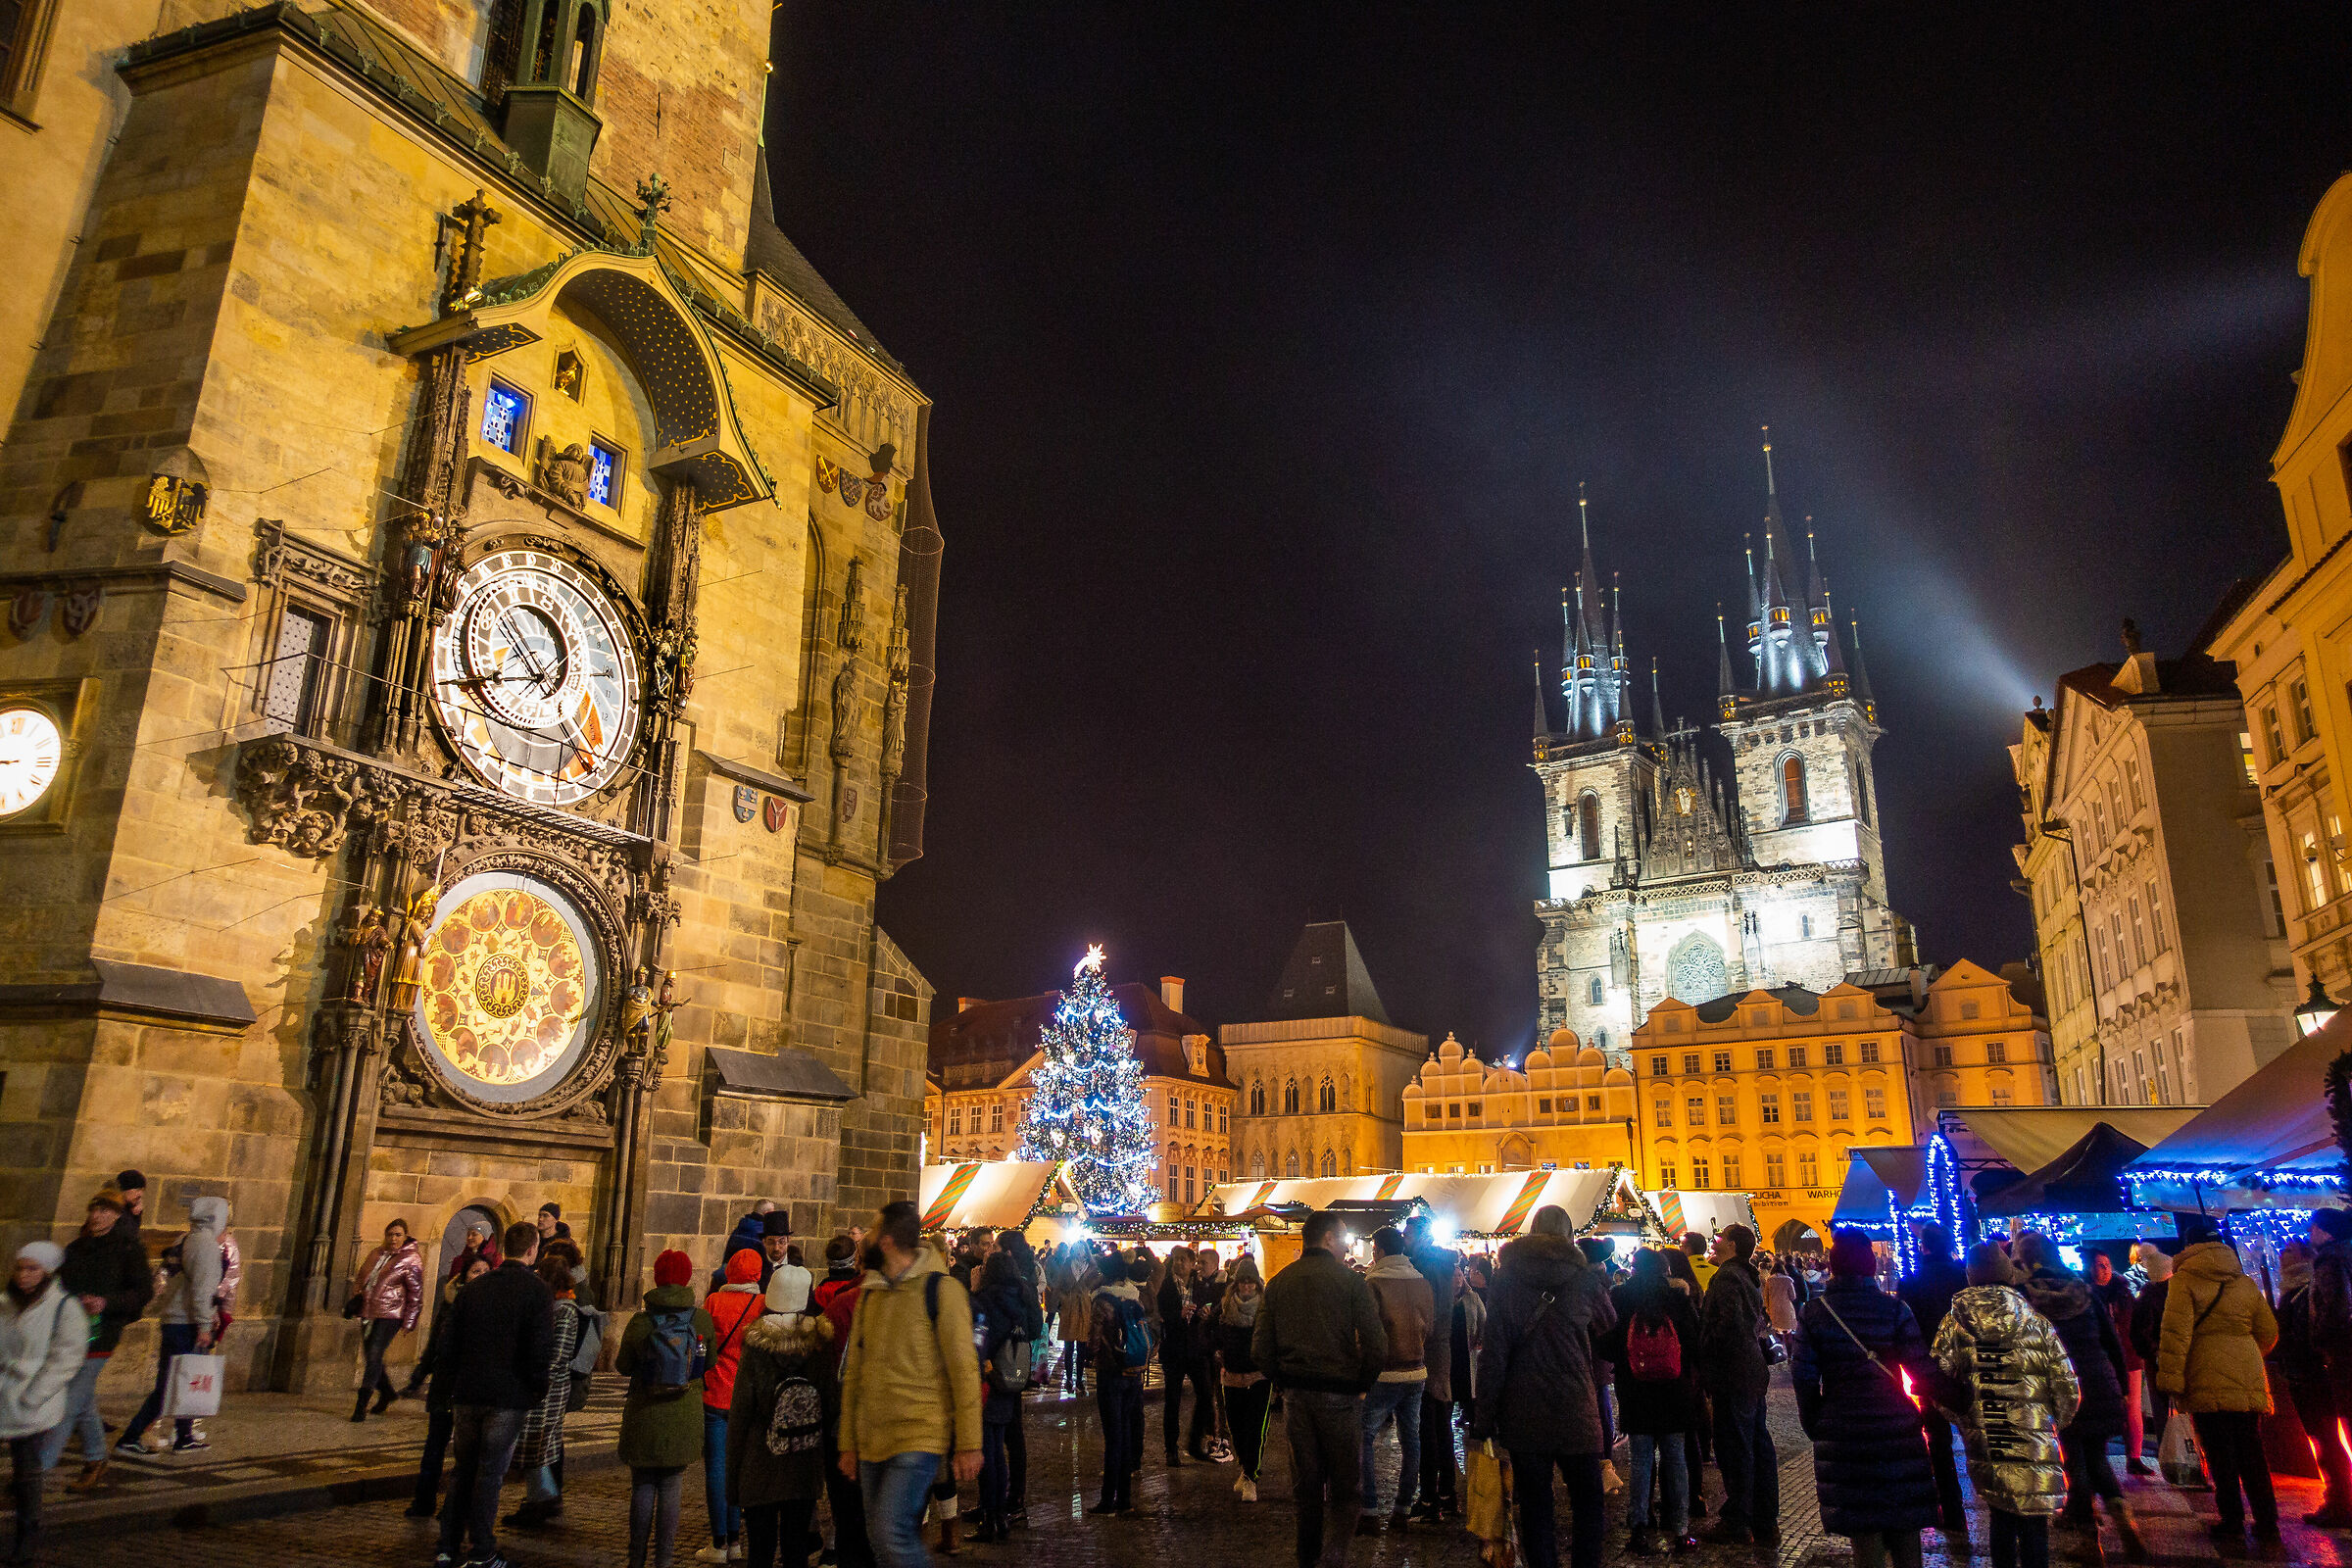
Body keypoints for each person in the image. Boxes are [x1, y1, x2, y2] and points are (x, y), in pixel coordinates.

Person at [836, 1200, 982, 1568]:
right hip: (872, 1437)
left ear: (885, 1241)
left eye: (871, 1230)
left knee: (891, 1532)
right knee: (878, 1537)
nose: (864, 1237)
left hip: (919, 1432)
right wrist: (848, 1443)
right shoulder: (871, 1292)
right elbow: (855, 1370)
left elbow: (964, 1369)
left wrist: (968, 1443)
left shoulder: (942, 1291)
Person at [1470, 1205, 1614, 1568]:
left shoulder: (1506, 1277)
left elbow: (1495, 1351)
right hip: (1576, 1405)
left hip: (1524, 1408)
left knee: (1535, 1505)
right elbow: (1609, 1322)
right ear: (1568, 1235)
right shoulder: (1583, 1277)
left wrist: (1484, 1416)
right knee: (1588, 1501)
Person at [1791, 1228, 1941, 1568]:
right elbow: (1921, 1369)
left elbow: (1803, 1378)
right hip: (1897, 1429)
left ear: (1834, 1267)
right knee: (1905, 1524)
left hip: (1844, 1431)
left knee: (1865, 1530)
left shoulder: (1815, 1313)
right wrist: (1937, 1410)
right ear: (1871, 1266)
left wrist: (1818, 1423)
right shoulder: (1895, 1309)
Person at [1932, 1242, 2079, 1568]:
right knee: (2034, 1523)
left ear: (1970, 1276)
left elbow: (1938, 1383)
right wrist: (2052, 1422)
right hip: (2033, 1435)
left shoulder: (1954, 1321)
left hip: (1989, 1436)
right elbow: (2066, 1384)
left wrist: (1966, 1419)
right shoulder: (2035, 1320)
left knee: (2001, 1516)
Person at [1255, 1209, 1387, 1568]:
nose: (1346, 1245)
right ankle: (1334, 1557)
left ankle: (1308, 1558)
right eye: (1343, 1237)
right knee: (1346, 1488)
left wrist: (1283, 1380)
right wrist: (1362, 1384)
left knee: (1307, 1489)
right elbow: (1377, 1345)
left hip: (1298, 1396)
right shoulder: (1350, 1283)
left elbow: (1260, 1349)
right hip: (1341, 1394)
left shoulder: (1280, 1283)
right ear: (1328, 1238)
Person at [2014, 1232, 2142, 1564]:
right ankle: (2123, 1516)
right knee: (2097, 1455)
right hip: (2099, 1380)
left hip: (2061, 1386)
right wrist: (2122, 1387)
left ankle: (2088, 1536)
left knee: (2075, 1459)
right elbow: (2111, 1339)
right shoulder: (2083, 1289)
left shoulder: (2025, 1296)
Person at [436, 1220, 558, 1568]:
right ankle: (481, 1551)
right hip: (506, 1396)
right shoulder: (536, 1292)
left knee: (462, 1471)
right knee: (489, 1475)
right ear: (533, 1250)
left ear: (504, 1249)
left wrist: (453, 1385)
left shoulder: (475, 1288)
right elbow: (540, 1349)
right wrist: (537, 1389)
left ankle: (446, 1547)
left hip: (468, 1393)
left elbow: (449, 1343)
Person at [2157, 1216, 2280, 1554]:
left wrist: (2171, 1378)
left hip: (2204, 1371)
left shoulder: (2183, 1281)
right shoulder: (2244, 1282)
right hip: (2247, 1371)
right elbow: (2268, 1331)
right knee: (2252, 1451)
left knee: (2220, 1453)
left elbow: (2176, 1335)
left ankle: (2233, 1524)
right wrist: (2244, 1350)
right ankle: (2268, 1524)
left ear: (2190, 1246)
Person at [728, 1264, 838, 1568]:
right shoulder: (819, 1344)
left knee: (760, 1550)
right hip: (804, 1460)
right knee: (796, 1548)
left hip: (759, 1460)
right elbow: (830, 1404)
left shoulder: (756, 1344)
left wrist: (733, 1476)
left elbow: (740, 1412)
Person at [1595, 1247, 1701, 1556]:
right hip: (1674, 1391)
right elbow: (1694, 1344)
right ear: (1665, 1269)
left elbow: (1607, 1346)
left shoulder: (1622, 1298)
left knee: (1641, 1461)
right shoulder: (1678, 1299)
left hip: (1636, 1391)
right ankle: (1681, 1530)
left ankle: (1639, 1527)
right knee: (1676, 1459)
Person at [45, 1185, 151, 1490]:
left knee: (68, 1403)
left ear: (117, 1216)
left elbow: (141, 1292)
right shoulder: (76, 1249)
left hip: (101, 1335)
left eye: (104, 1210)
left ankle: (34, 1475)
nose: (96, 1216)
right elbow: (59, 1288)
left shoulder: (129, 1249)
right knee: (84, 1400)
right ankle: (95, 1459)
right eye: (94, 1209)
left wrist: (106, 1303)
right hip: (69, 1333)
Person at [618, 1250, 716, 1568]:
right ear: (687, 1278)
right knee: (672, 1487)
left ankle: (636, 1559)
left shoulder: (641, 1321)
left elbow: (623, 1365)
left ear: (657, 1278)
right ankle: (665, 1560)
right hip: (683, 1414)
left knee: (642, 1486)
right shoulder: (700, 1320)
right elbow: (706, 1363)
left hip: (644, 1413)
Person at [118, 1194, 227, 1455]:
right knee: (170, 1384)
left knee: (182, 1379)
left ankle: (185, 1435)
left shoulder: (186, 1238)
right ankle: (132, 1436)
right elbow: (202, 1291)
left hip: (175, 1319)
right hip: (186, 1323)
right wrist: (203, 1325)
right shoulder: (206, 1246)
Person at [0, 1242, 86, 1566]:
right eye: (20, 1267)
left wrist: (34, 1395)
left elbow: (67, 1357)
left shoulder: (64, 1307)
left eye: (32, 1268)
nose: (24, 1274)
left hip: (33, 1400)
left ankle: (27, 1535)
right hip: (2, 1391)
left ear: (47, 1272)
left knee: (27, 1472)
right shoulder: (6, 1303)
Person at [1696, 1224, 1776, 1547]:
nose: (1714, 1243)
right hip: (1750, 1369)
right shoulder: (1747, 1274)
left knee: (1735, 1446)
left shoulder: (1728, 1276)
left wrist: (1708, 1348)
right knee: (1756, 1443)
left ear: (1731, 1244)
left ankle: (1738, 1519)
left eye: (1719, 1238)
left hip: (1733, 1371)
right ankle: (1765, 1518)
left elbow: (1730, 1324)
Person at [1898, 1221, 1972, 1544]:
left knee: (1938, 1442)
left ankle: (1953, 1511)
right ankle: (1996, 1498)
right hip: (1970, 1368)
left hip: (1930, 1371)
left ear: (1924, 1246)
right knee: (1978, 1433)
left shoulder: (1911, 1284)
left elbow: (1907, 1332)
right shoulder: (1965, 1278)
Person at [2272, 1241, 2352, 1528]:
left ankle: (2340, 1502)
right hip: (2302, 1376)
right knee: (2323, 1441)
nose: (2283, 1255)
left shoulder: (2307, 1291)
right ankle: (2337, 1499)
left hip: (2313, 1378)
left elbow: (2309, 1335)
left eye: (2289, 1251)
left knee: (2328, 1441)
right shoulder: (2291, 1291)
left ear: (2305, 1257)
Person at [1359, 1226, 1435, 1536]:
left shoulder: (1373, 1282)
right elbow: (1428, 1326)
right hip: (1416, 1370)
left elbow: (1366, 1332)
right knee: (1411, 1439)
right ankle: (1403, 1509)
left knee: (1363, 1436)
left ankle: (1369, 1509)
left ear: (1377, 1251)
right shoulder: (1421, 1280)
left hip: (1383, 1372)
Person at [697, 1249, 769, 1561]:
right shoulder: (763, 1304)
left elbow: (703, 1346)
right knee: (741, 1470)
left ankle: (720, 1542)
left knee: (716, 1469)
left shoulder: (713, 1301)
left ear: (729, 1273)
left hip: (715, 1394)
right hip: (748, 1398)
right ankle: (738, 1542)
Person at [408, 1254, 492, 1519]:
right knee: (434, 1447)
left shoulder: (490, 1305)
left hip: (470, 1386)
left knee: (465, 1453)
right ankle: (423, 1502)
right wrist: (421, 1371)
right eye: (475, 1271)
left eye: (485, 1271)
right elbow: (435, 1341)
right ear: (465, 1275)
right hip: (446, 1385)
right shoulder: (450, 1304)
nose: (480, 1275)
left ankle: (453, 1506)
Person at [509, 1251, 585, 1530]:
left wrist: (533, 1375)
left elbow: (558, 1355)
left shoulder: (566, 1310)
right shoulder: (549, 1306)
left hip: (549, 1389)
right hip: (541, 1385)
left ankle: (544, 1498)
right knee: (537, 1445)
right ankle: (543, 1496)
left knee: (536, 1445)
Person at [810, 1235, 873, 1568]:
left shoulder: (842, 1303)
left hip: (843, 1423)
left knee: (849, 1514)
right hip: (891, 1430)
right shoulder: (912, 1304)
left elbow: (825, 1368)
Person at [971, 1249, 1041, 1542]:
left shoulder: (985, 1301)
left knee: (989, 1451)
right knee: (998, 1448)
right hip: (1011, 1381)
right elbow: (1035, 1330)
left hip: (989, 1380)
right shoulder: (1022, 1299)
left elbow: (977, 1340)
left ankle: (991, 1516)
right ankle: (1000, 1515)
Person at [1400, 1213, 1462, 1519]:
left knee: (1428, 1426)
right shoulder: (1443, 1263)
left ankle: (1429, 1499)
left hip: (1430, 1350)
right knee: (1440, 1424)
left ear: (1421, 1237)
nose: (1404, 1239)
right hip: (1442, 1348)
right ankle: (1446, 1493)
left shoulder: (1425, 1264)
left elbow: (1430, 1309)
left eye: (1408, 1235)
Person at [1088, 1251, 1152, 1515]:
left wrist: (1094, 1355)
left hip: (1111, 1373)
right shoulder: (1134, 1297)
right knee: (1126, 1434)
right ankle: (1124, 1499)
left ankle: (1107, 1500)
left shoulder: (1102, 1301)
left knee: (1112, 1437)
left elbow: (1093, 1340)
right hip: (1133, 1373)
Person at [348, 1217, 424, 1422]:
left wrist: (409, 1321)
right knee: (373, 1357)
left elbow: (416, 1293)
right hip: (368, 1311)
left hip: (391, 1314)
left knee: (373, 1356)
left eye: (398, 1235)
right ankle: (388, 1393)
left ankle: (361, 1404)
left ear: (405, 1236)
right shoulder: (377, 1253)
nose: (393, 1238)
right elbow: (362, 1277)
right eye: (390, 1234)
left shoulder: (411, 1259)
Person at [990, 1229, 1042, 1523]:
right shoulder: (1028, 1282)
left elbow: (1033, 1325)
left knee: (1005, 1434)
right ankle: (1012, 1497)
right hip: (1015, 1366)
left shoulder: (1011, 1284)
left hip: (999, 1365)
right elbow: (1035, 1327)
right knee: (1013, 1434)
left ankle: (1006, 1499)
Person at [2082, 1246, 2147, 1477]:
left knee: (2133, 1408)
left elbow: (2135, 1322)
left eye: (2107, 1265)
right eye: (2100, 1265)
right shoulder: (2083, 1295)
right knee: (2101, 1408)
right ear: (2089, 1268)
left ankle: (2135, 1457)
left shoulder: (2122, 1291)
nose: (2106, 1270)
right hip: (2100, 1358)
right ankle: (2099, 1459)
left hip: (2128, 1356)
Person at [1659, 1245, 1710, 1520]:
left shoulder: (1670, 1297)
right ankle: (1695, 1496)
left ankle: (1674, 1501)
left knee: (1673, 1441)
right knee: (1688, 1438)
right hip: (1690, 1374)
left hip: (1671, 1374)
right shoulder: (1693, 1292)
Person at [1217, 1254, 1271, 1502]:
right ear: (1236, 1283)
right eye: (1243, 1282)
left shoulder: (1265, 1307)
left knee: (1256, 1430)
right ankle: (1245, 1469)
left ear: (1257, 1283)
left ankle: (1251, 1477)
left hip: (1259, 1376)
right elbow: (1208, 1330)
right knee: (1237, 1430)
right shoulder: (1226, 1305)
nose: (1247, 1287)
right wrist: (1217, 1351)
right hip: (1232, 1376)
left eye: (1251, 1282)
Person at [2126, 1243, 2177, 1463]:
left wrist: (2149, 1352)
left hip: (2156, 1360)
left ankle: (2169, 1454)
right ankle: (2192, 1453)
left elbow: (2137, 1330)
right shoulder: (2181, 1291)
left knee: (2161, 1409)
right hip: (2181, 1357)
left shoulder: (2147, 1296)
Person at [1156, 1248, 1201, 1465]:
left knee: (1204, 1394)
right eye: (1176, 1260)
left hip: (1195, 1348)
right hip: (1173, 1349)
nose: (1179, 1264)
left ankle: (1195, 1442)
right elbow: (1159, 1315)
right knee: (1172, 1400)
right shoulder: (1165, 1285)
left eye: (1183, 1260)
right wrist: (1178, 1315)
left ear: (1193, 1262)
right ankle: (1171, 1448)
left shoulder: (1200, 1284)